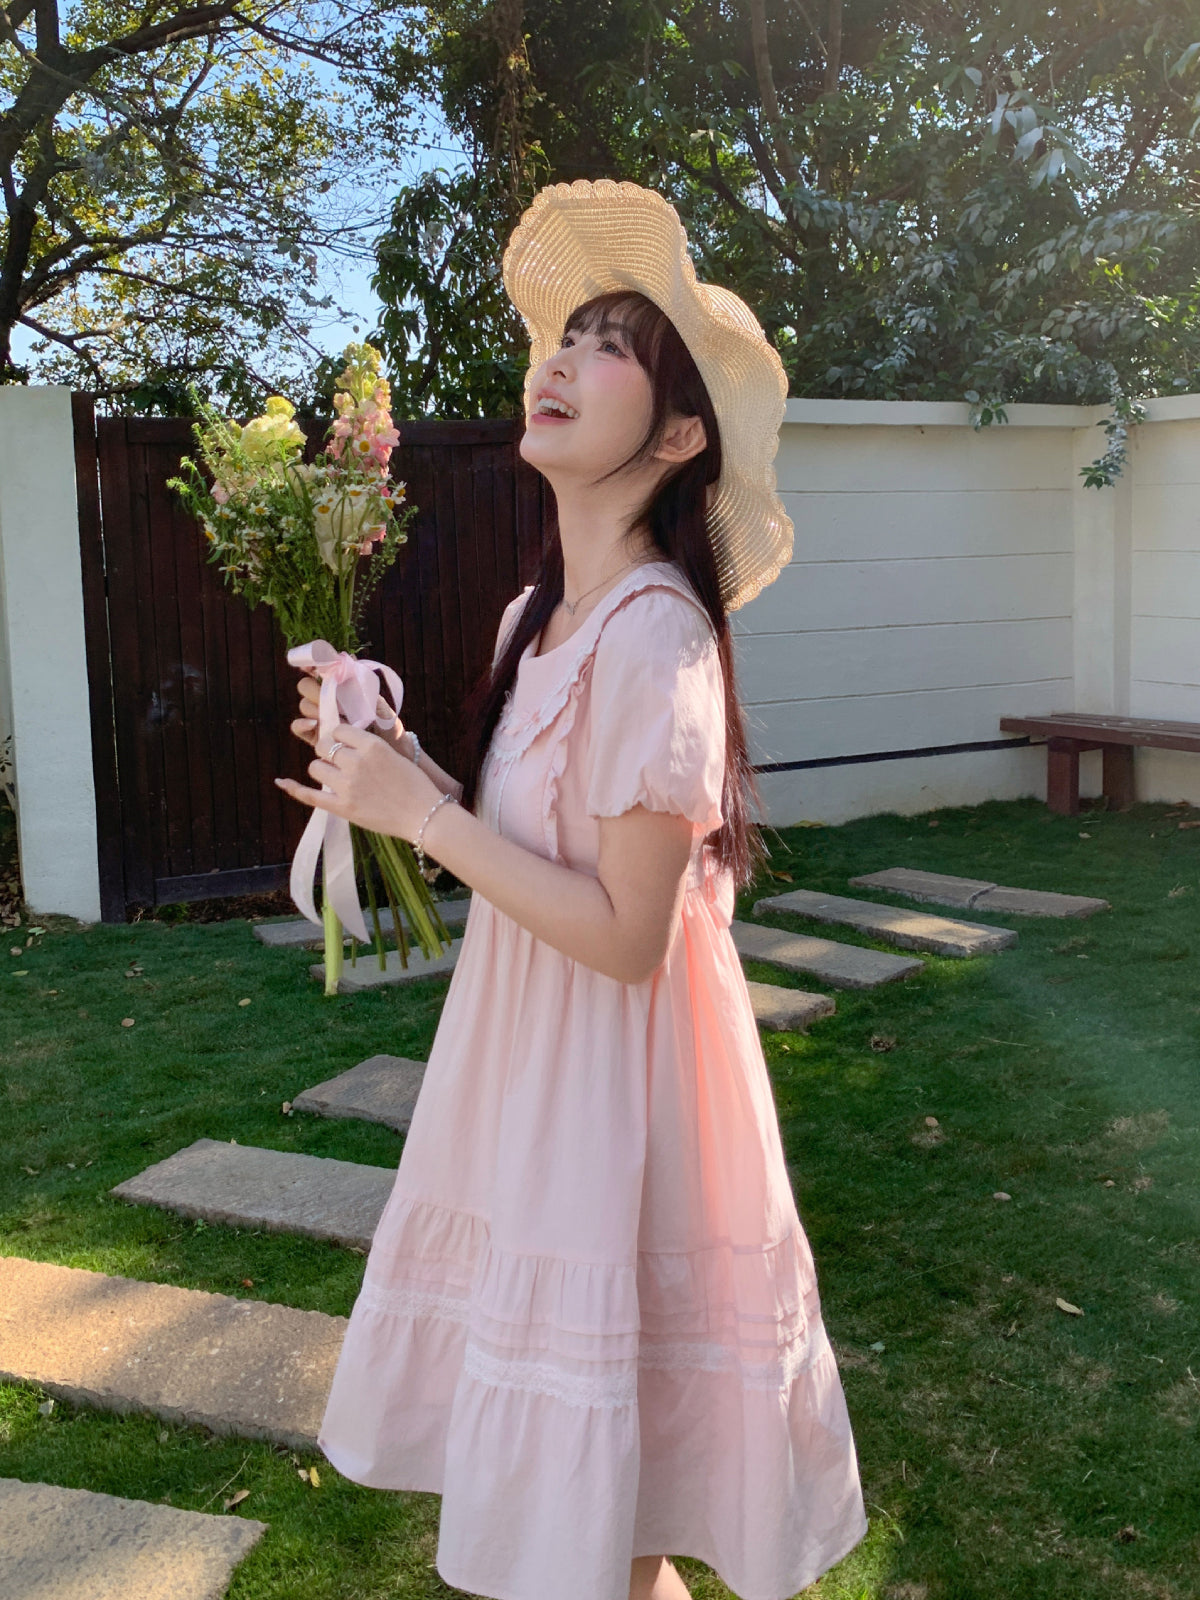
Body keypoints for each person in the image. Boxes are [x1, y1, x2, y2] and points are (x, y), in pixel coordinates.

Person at [275, 178, 868, 1600]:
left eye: (609, 348)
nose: (558, 361)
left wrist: (424, 816)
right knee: (589, 1522)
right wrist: (395, 763)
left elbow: (626, 935)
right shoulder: (532, 619)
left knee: (591, 1516)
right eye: (563, 338)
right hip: (532, 1074)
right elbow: (533, 845)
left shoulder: (657, 636)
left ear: (676, 436)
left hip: (619, 1096)